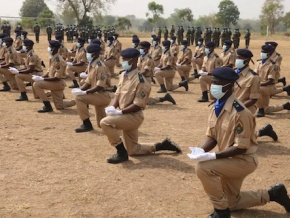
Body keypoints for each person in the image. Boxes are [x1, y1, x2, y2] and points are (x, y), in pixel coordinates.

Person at [188, 66, 290, 218]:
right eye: (212, 82)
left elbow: (241, 147)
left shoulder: (241, 113)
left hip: (243, 160)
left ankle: (221, 211)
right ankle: (273, 194)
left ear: (228, 85)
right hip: (228, 159)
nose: (212, 86)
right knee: (232, 203)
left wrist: (212, 157)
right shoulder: (215, 107)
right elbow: (212, 136)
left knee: (203, 168)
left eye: (216, 83)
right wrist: (201, 151)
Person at [100, 48, 181, 164]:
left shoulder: (141, 81)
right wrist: (113, 107)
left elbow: (138, 104)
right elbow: (118, 94)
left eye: (125, 59)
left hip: (133, 116)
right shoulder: (123, 75)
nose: (123, 61)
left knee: (105, 122)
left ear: (133, 60)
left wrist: (119, 113)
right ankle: (161, 145)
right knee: (133, 150)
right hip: (125, 115)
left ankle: (121, 153)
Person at [234, 49, 278, 141]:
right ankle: (263, 131)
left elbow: (253, 99)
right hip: (233, 105)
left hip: (246, 106)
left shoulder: (253, 77)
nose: (237, 59)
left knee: (239, 136)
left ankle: (259, 133)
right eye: (237, 57)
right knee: (232, 132)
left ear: (247, 60)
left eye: (240, 58)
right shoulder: (233, 73)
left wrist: (238, 108)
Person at [72, 44, 112, 132]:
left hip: (103, 95)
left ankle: (87, 124)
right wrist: (80, 90)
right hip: (97, 94)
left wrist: (85, 93)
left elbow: (100, 86)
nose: (87, 55)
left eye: (89, 53)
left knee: (79, 98)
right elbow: (88, 82)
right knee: (102, 124)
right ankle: (114, 123)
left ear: (95, 54)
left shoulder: (100, 67)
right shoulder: (92, 65)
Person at [32, 40, 76, 113]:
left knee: (36, 84)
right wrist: (42, 77)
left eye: (50, 47)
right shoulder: (53, 58)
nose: (48, 48)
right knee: (59, 106)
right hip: (54, 83)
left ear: (54, 48)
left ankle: (47, 106)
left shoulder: (59, 61)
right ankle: (76, 101)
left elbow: (57, 77)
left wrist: (43, 80)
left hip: (57, 83)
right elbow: (49, 71)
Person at [255, 45, 290, 117]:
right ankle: (285, 106)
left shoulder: (272, 65)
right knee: (266, 109)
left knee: (255, 89)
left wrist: (259, 84)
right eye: (261, 52)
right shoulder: (258, 63)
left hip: (268, 87)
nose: (262, 53)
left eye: (264, 52)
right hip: (262, 87)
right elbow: (255, 75)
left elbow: (270, 80)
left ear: (269, 54)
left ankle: (260, 109)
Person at [138, 41, 176, 105]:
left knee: (143, 100)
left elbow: (145, 71)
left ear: (147, 48)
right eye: (140, 48)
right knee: (141, 98)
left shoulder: (149, 59)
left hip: (145, 80)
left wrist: (136, 76)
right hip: (141, 78)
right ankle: (165, 97)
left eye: (142, 48)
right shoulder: (141, 57)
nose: (140, 49)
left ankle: (164, 97)